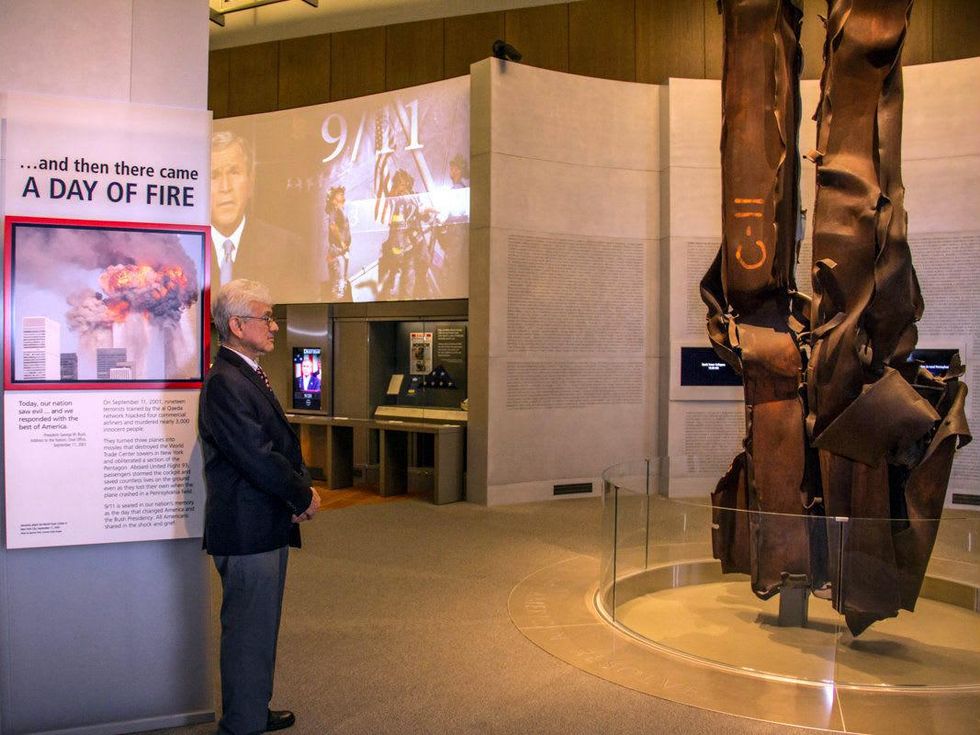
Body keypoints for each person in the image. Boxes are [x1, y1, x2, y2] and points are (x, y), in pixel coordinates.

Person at [199, 279, 321, 735]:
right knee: (248, 634)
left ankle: (250, 710)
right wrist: (302, 494)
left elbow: (273, 446)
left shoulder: (242, 373)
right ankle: (242, 725)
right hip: (246, 530)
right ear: (235, 324)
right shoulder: (226, 382)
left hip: (262, 524)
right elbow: (257, 456)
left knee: (258, 630)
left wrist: (294, 492)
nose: (273, 326)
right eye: (265, 317)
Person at [210, 132, 311, 299]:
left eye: (234, 172)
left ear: (251, 181)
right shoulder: (180, 251)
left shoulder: (288, 249)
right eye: (214, 175)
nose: (225, 187)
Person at [323, 185, 351, 301]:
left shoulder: (339, 210)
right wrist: (342, 243)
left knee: (341, 281)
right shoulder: (334, 211)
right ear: (333, 199)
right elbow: (333, 227)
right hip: (337, 251)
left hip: (341, 251)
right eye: (340, 194)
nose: (343, 196)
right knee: (338, 283)